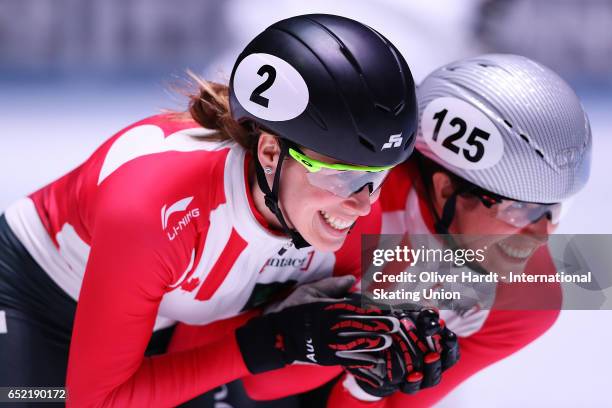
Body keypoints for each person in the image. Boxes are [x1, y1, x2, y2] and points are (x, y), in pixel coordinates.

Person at [0, 13, 454, 407]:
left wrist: (383, 359)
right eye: (341, 175)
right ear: (272, 154)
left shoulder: (350, 211)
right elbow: (97, 399)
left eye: (377, 178)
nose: (362, 204)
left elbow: (276, 377)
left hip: (164, 320)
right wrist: (273, 340)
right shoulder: (154, 210)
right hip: (38, 303)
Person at [324, 53, 592, 406]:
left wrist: (369, 380)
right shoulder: (351, 202)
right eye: (520, 210)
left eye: (554, 210)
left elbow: (400, 403)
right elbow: (258, 385)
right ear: (446, 189)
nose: (541, 235)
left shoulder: (529, 300)